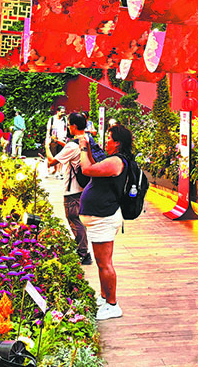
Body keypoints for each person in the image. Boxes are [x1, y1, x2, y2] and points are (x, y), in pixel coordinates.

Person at [78, 123, 134, 321]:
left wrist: (83, 148)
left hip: (104, 217)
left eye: (109, 138)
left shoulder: (116, 162)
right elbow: (94, 162)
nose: (106, 142)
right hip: (99, 217)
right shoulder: (112, 159)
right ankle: (104, 297)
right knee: (102, 263)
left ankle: (113, 304)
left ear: (117, 143)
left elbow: (87, 169)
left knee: (105, 263)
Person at [45, 112, 93, 266]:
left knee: (74, 220)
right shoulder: (88, 140)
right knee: (79, 220)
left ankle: (83, 253)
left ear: (73, 126)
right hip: (85, 188)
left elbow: (51, 162)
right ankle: (83, 250)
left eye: (70, 125)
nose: (68, 127)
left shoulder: (73, 145)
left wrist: (47, 146)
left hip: (73, 189)